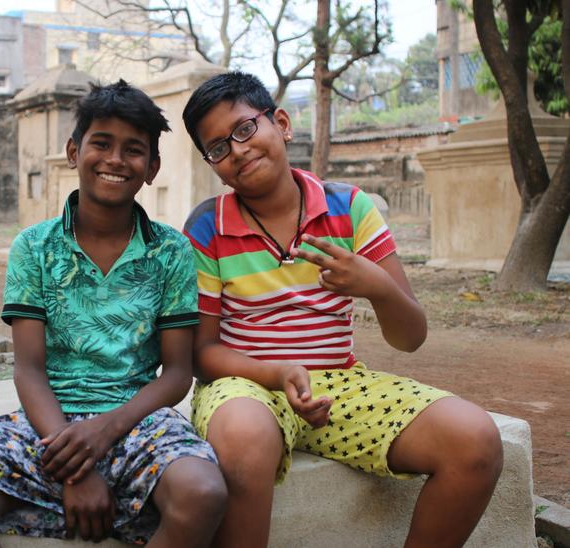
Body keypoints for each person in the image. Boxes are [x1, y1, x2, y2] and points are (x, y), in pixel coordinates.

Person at [181, 71, 503, 548]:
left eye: (245, 129)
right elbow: (201, 352)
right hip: (244, 385)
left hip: (340, 385)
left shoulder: (348, 208)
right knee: (246, 441)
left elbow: (410, 336)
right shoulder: (209, 226)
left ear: (282, 124)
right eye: (218, 148)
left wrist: (377, 287)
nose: (238, 150)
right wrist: (277, 372)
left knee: (475, 441)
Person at [0, 80, 227, 548]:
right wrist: (72, 463)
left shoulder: (171, 251)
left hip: (136, 418)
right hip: (48, 420)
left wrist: (105, 431)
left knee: (203, 492)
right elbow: (28, 369)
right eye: (101, 143)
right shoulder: (36, 247)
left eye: (133, 150)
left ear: (152, 167)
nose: (114, 160)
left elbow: (178, 374)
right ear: (73, 151)